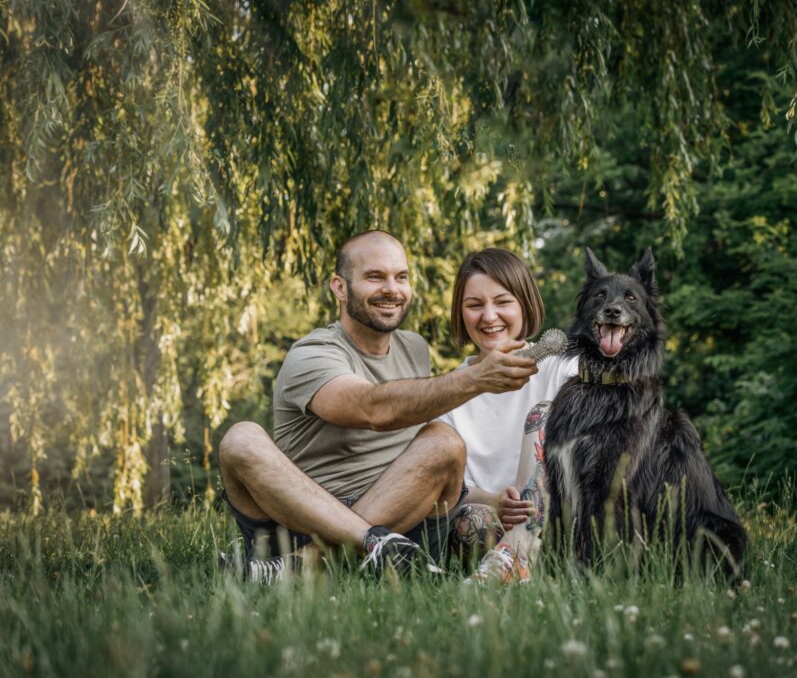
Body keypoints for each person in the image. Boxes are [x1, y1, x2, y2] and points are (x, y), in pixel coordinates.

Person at [218, 231, 537, 580]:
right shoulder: (311, 354)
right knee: (241, 439)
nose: (391, 289)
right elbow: (372, 410)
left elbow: (424, 468)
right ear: (340, 288)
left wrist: (494, 500)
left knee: (444, 441)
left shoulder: (414, 348)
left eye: (401, 277)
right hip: (308, 520)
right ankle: (367, 546)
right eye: (375, 277)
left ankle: (305, 566)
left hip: (405, 522)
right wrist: (474, 379)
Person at [437, 248, 578, 583]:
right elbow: (452, 489)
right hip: (492, 531)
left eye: (502, 302)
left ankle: (518, 555)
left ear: (524, 304)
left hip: (563, 520)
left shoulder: (562, 369)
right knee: (469, 518)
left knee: (545, 414)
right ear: (460, 313)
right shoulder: (447, 392)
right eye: (475, 305)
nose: (489, 317)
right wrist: (496, 500)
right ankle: (510, 566)